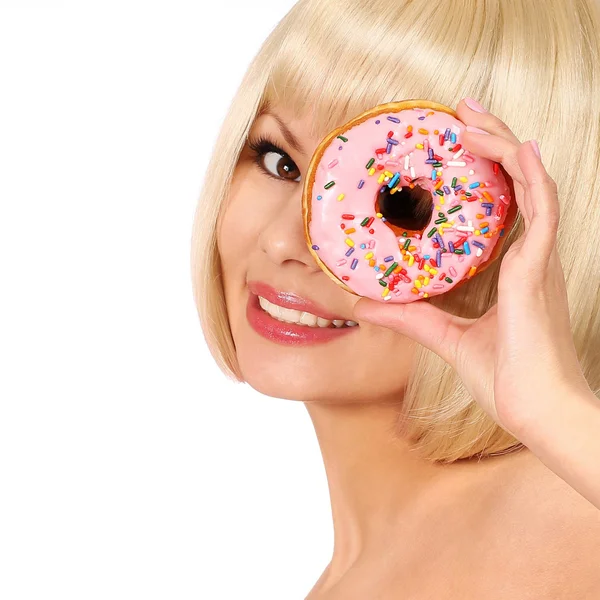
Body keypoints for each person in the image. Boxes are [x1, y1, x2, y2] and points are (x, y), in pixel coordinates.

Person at [191, 0, 600, 596]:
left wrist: (557, 413)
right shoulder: (355, 574)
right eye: (278, 161)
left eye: (402, 202)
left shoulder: (566, 536)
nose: (286, 240)